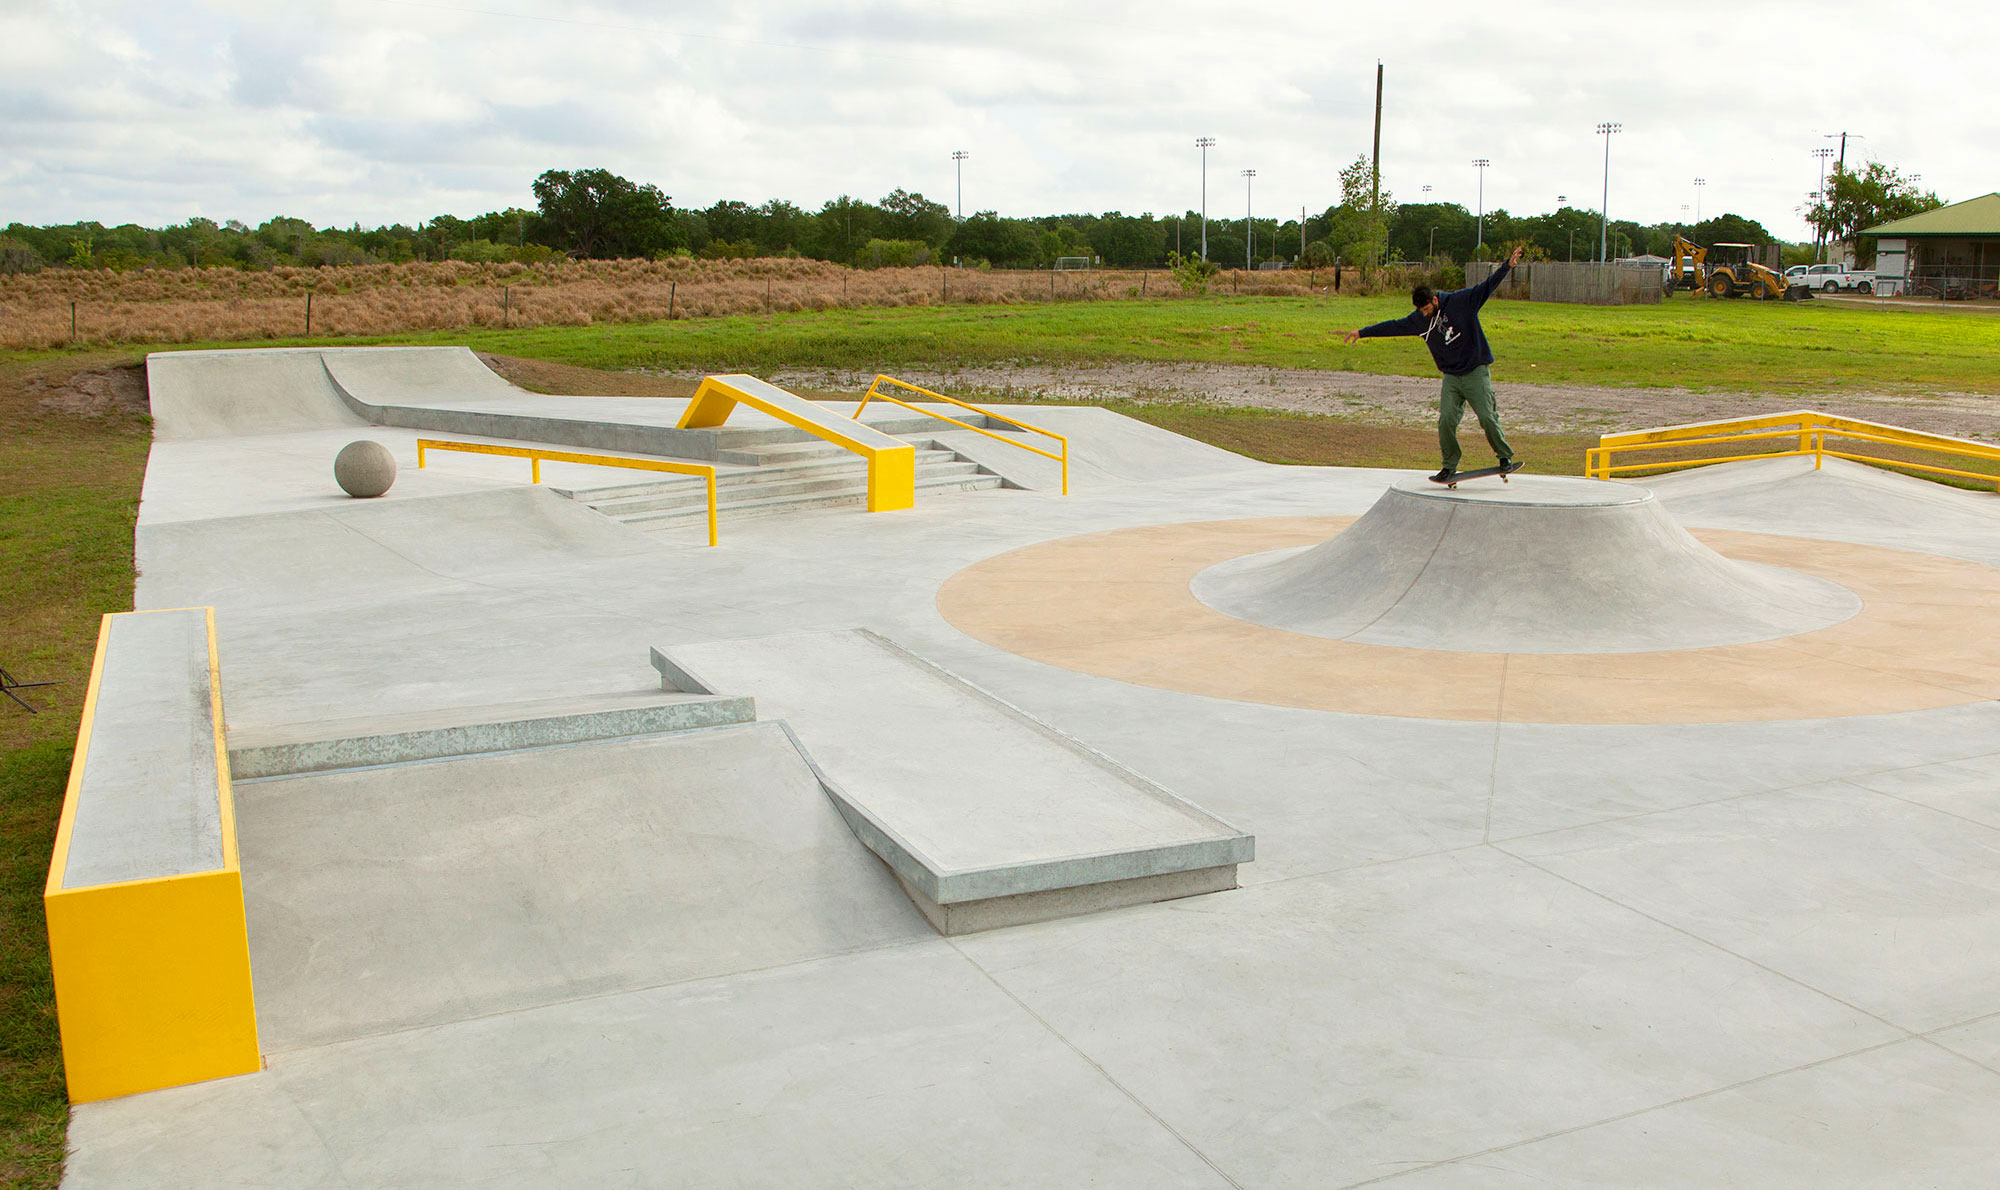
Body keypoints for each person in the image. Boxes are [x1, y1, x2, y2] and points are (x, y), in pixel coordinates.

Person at [1343, 244, 1524, 482]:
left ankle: (1504, 457)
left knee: (1486, 416)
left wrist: (1506, 267)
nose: (1426, 314)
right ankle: (1449, 467)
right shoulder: (1419, 319)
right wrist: (1363, 332)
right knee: (1446, 421)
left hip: (1475, 371)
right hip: (1451, 376)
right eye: (1422, 311)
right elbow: (1393, 326)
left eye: (1428, 309)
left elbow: (1487, 286)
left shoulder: (1462, 301)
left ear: (1435, 299)